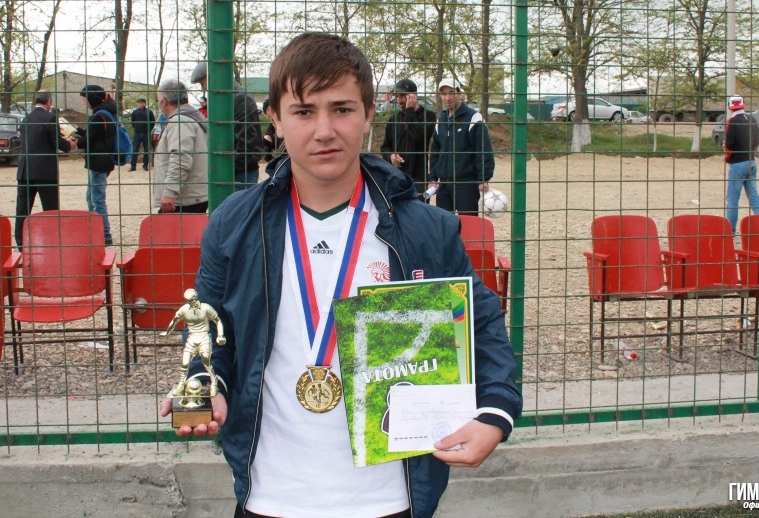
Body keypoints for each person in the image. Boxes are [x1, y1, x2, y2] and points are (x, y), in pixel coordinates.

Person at [160, 33, 521, 518]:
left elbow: (481, 323)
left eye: (342, 109)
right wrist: (209, 385)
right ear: (275, 119)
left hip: (389, 497)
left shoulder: (425, 229)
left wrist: (495, 411)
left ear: (369, 114)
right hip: (271, 495)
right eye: (304, 112)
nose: (324, 130)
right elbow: (209, 327)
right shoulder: (234, 224)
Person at [14, 89, 76, 248]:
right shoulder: (50, 118)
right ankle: (52, 241)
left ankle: (21, 242)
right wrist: (69, 144)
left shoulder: (25, 119)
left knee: (22, 208)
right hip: (45, 170)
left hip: (25, 169)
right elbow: (58, 144)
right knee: (50, 209)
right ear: (49, 101)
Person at [190, 61, 263, 190]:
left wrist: (226, 169)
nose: (203, 88)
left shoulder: (240, 99)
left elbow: (246, 142)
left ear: (213, 76)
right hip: (232, 169)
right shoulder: (222, 98)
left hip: (240, 173)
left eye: (202, 83)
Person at [427, 79, 495, 216]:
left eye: (451, 93)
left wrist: (483, 178)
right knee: (444, 224)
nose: (447, 98)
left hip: (466, 185)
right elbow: (435, 152)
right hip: (444, 186)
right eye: (444, 94)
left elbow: (483, 151)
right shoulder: (441, 120)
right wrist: (433, 178)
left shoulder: (473, 118)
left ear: (459, 94)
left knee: (468, 224)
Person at [152, 79, 209, 214]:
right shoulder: (191, 117)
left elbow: (181, 158)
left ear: (164, 101)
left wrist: (170, 192)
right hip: (191, 196)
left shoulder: (179, 121)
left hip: (183, 199)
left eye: (158, 101)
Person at [74, 84, 117, 245]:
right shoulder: (105, 112)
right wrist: (78, 130)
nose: (83, 102)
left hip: (99, 162)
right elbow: (94, 134)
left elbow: (89, 140)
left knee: (97, 199)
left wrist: (74, 141)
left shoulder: (99, 116)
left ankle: (104, 235)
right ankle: (95, 230)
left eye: (84, 99)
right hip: (101, 161)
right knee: (91, 196)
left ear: (92, 98)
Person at [380, 78, 436, 198]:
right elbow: (385, 147)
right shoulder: (393, 120)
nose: (400, 100)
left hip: (419, 177)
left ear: (414, 96)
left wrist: (410, 110)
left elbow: (418, 137)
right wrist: (391, 156)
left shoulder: (429, 116)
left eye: (403, 96)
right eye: (397, 96)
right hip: (397, 176)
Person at [723, 94, 759, 235]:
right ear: (743, 104)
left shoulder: (731, 121)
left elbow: (729, 144)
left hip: (737, 164)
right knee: (754, 197)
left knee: (732, 200)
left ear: (730, 107)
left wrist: (727, 157)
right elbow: (757, 141)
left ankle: (730, 231)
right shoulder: (752, 119)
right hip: (751, 161)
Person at [128, 97, 155, 172]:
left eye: (141, 103)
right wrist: (136, 128)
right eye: (138, 103)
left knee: (146, 149)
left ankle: (145, 165)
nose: (139, 104)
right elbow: (133, 121)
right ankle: (133, 166)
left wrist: (149, 129)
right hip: (137, 133)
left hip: (146, 133)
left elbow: (153, 122)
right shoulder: (135, 112)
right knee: (135, 149)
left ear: (144, 103)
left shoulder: (149, 112)